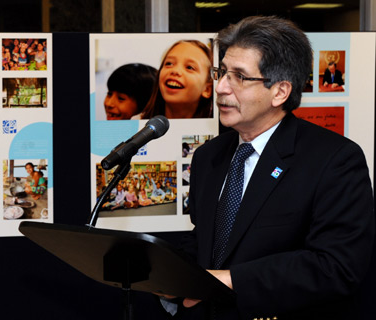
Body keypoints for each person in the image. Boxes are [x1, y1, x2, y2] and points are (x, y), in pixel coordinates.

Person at [160, 16, 374, 320]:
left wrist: (230, 280)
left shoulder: (334, 160)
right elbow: (207, 240)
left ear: (280, 92)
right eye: (221, 72)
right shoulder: (209, 156)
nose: (221, 87)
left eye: (239, 77)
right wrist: (171, 275)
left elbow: (336, 266)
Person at [133, 40, 213, 119]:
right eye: (169, 63)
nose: (175, 71)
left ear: (207, 89)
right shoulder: (138, 123)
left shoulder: (216, 129)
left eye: (189, 67)